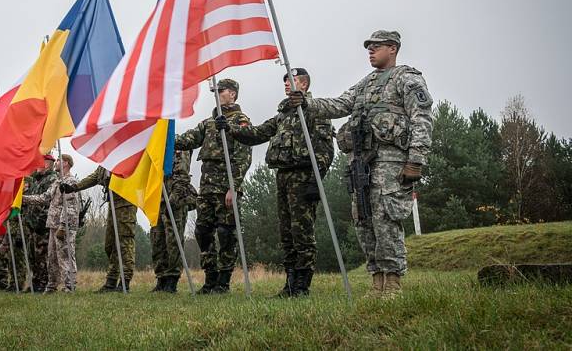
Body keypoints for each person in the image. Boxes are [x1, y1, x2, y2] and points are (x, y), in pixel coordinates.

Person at [294, 30, 433, 298]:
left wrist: (416, 160)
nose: (370, 51)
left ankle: (393, 283)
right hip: (362, 163)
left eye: (376, 47)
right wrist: (308, 102)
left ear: (392, 49)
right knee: (364, 221)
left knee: (386, 220)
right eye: (369, 47)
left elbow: (422, 119)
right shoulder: (365, 84)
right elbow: (340, 104)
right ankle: (376, 281)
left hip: (391, 162)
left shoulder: (407, 78)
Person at [218, 68, 334, 297]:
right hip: (283, 176)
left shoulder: (315, 111)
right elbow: (258, 133)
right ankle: (290, 283)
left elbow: (325, 149)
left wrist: (316, 180)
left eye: (291, 81)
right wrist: (230, 129)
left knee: (302, 232)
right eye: (284, 82)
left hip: (303, 176)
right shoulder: (282, 114)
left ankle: (302, 284)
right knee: (286, 232)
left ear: (304, 84)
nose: (286, 85)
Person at [175, 78, 252, 294]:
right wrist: (165, 137)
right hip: (207, 189)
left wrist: (234, 187)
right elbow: (188, 139)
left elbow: (244, 156)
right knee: (203, 231)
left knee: (226, 233)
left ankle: (223, 282)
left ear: (233, 94)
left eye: (222, 90)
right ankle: (210, 279)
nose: (217, 94)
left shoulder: (241, 121)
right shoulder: (209, 123)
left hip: (225, 189)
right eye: (215, 91)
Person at [62, 165, 138, 292]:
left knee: (125, 243)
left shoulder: (124, 153)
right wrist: (75, 188)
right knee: (110, 245)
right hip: (113, 204)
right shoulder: (106, 160)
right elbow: (95, 177)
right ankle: (111, 282)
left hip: (126, 203)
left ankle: (125, 282)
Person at [25, 153, 80, 293]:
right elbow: (44, 197)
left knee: (66, 255)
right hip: (53, 224)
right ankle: (51, 286)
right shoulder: (57, 182)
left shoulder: (71, 182)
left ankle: (70, 286)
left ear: (66, 163)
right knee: (52, 257)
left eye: (59, 161)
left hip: (64, 225)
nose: (55, 162)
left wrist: (63, 225)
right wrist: (23, 198)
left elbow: (71, 206)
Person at [150, 150, 196, 293]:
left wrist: (173, 199)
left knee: (173, 241)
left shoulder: (178, 149)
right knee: (157, 241)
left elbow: (182, 177)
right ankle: (161, 278)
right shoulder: (155, 149)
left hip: (174, 203)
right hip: (158, 201)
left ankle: (172, 279)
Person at [21, 154, 58, 293]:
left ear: (49, 163)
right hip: (32, 224)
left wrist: (40, 221)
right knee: (33, 255)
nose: (38, 166)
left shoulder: (52, 179)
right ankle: (35, 282)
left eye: (41, 163)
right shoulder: (37, 180)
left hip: (42, 225)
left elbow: (46, 201)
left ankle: (44, 283)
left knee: (43, 256)